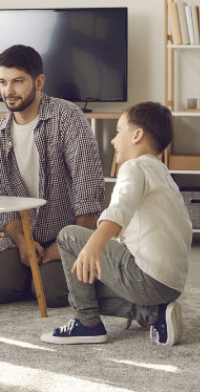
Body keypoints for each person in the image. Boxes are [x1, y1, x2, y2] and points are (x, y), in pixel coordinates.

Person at [40, 101, 192, 346]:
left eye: (119, 131)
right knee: (82, 289)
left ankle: (86, 323)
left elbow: (118, 212)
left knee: (68, 236)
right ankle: (154, 314)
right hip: (169, 285)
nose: (113, 140)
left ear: (137, 135)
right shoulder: (162, 173)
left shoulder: (134, 167)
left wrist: (91, 246)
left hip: (148, 280)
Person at [0, 44, 105, 308]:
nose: (9, 91)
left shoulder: (68, 117)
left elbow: (88, 190)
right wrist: (23, 242)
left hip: (68, 232)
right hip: (24, 235)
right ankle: (33, 272)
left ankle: (73, 268)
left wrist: (67, 246)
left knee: (53, 294)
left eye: (18, 81)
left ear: (39, 81)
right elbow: (1, 202)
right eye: (3, 82)